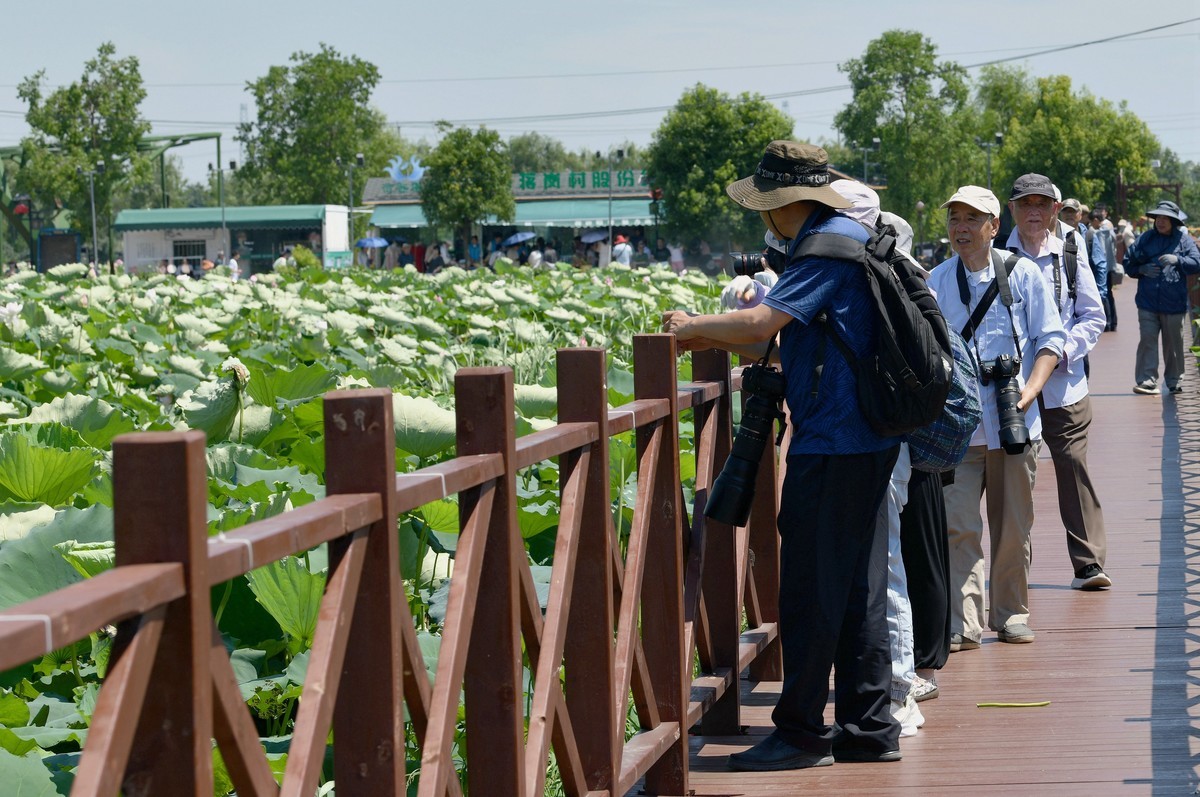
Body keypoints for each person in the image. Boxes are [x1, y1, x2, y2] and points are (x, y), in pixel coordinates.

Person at [662, 141, 902, 769]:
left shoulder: (824, 246)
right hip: (869, 436)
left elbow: (763, 323)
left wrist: (691, 327)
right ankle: (869, 729)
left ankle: (799, 732)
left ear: (780, 206)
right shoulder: (851, 236)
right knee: (856, 587)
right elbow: (789, 339)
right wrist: (715, 331)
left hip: (834, 440)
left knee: (809, 589)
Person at [926, 184, 1065, 650]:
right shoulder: (935, 281)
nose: (960, 228)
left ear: (993, 226)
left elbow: (1050, 339)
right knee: (958, 524)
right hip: (959, 429)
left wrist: (1030, 390)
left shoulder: (1024, 275)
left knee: (1012, 527)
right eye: (954, 219)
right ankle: (963, 624)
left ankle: (1010, 614)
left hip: (1015, 423)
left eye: (971, 219)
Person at [1006, 174, 1110, 591]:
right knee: (1014, 478)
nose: (1034, 212)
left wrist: (1062, 352)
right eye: (1025, 204)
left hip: (1064, 385)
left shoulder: (1070, 247)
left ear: (1054, 210)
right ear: (1011, 209)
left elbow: (1093, 315)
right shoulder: (995, 250)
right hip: (1012, 388)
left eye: (1042, 205)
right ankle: (1014, 572)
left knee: (1073, 468)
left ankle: (1089, 563)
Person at [1126, 200, 1200, 395]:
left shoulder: (1184, 241)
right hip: (1147, 302)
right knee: (1147, 340)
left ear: (1174, 221)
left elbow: (1196, 262)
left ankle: (1174, 381)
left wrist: (1178, 260)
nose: (1160, 221)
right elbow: (1128, 262)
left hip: (1173, 303)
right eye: (1158, 217)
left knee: (1174, 344)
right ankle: (1146, 380)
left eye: (1165, 218)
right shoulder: (1145, 238)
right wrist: (1141, 269)